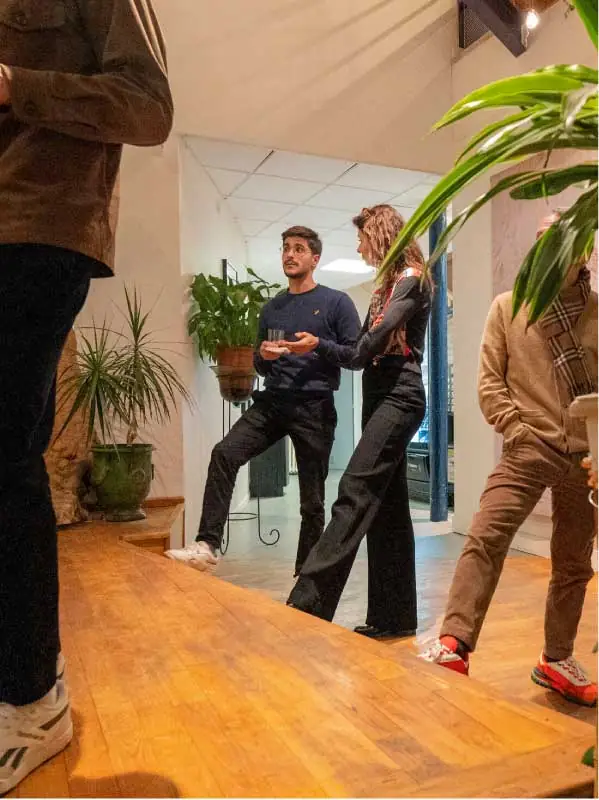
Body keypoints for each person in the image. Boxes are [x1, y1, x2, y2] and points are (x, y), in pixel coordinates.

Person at [0, 1, 173, 792]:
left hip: (34, 228)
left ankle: (30, 696)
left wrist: (16, 84)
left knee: (3, 459)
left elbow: (147, 106)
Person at [422, 212, 598, 707]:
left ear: (584, 249)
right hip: (528, 447)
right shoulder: (509, 306)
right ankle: (455, 643)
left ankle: (556, 659)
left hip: (586, 456)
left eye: (563, 237)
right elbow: (489, 384)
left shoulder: (596, 312)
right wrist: (518, 431)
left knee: (574, 563)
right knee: (486, 537)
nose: (550, 246)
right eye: (542, 238)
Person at [166, 225, 361, 576]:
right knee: (224, 454)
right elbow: (259, 362)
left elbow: (355, 356)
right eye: (286, 247)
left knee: (312, 502)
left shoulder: (336, 302)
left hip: (314, 407)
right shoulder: (272, 308)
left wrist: (317, 345)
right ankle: (207, 545)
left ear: (314, 259)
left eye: (299, 248)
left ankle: (307, 580)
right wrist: (264, 358)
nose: (290, 254)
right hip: (272, 402)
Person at [285, 205, 432, 638]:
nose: (358, 247)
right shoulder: (387, 286)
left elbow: (368, 346)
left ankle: (306, 605)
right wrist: (317, 345)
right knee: (387, 510)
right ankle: (394, 619)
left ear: (380, 234)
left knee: (353, 489)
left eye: (362, 238)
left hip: (400, 396)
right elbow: (355, 355)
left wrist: (330, 345)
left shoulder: (411, 279)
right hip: (379, 395)